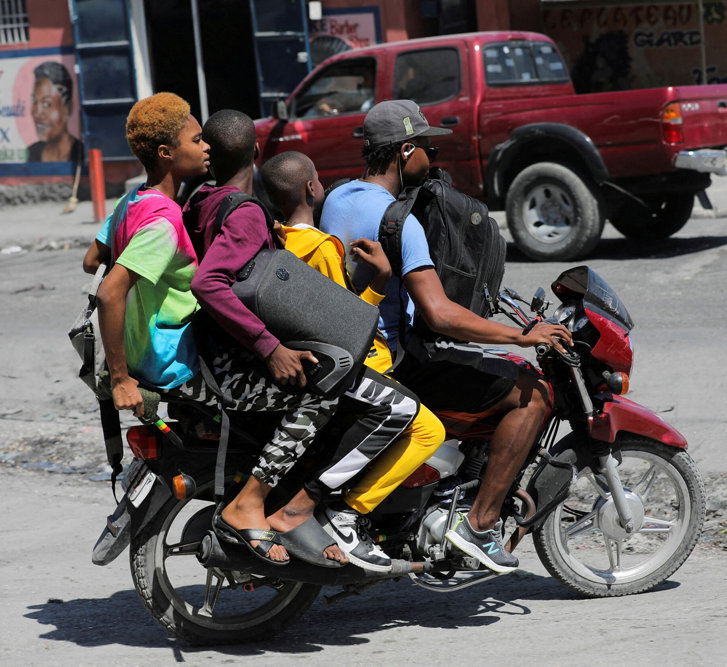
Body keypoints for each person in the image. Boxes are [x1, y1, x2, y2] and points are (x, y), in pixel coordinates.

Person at [320, 99, 573, 574]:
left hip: (348, 351)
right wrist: (521, 335)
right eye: (427, 150)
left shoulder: (337, 198)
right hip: (395, 361)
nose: (431, 161)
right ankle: (478, 526)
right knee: (533, 393)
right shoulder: (400, 222)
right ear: (405, 151)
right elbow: (438, 315)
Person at [184, 110, 419, 571]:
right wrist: (269, 347)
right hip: (240, 361)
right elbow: (208, 283)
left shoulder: (203, 200)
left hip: (214, 353)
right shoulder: (248, 215)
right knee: (380, 402)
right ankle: (278, 506)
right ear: (255, 153)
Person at [260, 150, 445, 556]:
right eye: (319, 178)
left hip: (315, 358)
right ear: (311, 189)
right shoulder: (321, 248)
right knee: (429, 429)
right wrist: (380, 280)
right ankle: (346, 513)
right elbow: (346, 327)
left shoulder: (278, 239)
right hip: (351, 362)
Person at [90, 92, 211, 421]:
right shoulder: (163, 223)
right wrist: (119, 380)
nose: (206, 147)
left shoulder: (132, 200)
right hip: (172, 361)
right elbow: (109, 292)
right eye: (197, 140)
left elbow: (91, 260)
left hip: (140, 351)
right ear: (166, 153)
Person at [27, 61, 83, 163]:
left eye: (47, 104)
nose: (38, 113)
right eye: (34, 102)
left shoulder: (80, 153)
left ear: (68, 107)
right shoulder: (31, 154)